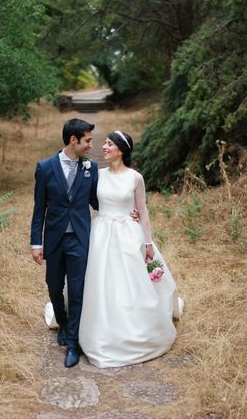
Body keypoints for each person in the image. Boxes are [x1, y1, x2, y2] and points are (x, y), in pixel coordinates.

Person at [78, 131, 182, 368]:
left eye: (109, 144)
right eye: (104, 143)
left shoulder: (135, 178)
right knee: (101, 281)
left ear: (121, 150)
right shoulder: (97, 174)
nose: (103, 147)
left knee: (130, 281)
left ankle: (136, 325)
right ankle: (101, 328)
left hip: (128, 234)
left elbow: (142, 211)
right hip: (102, 233)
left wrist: (147, 243)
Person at [30, 118, 99, 368]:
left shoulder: (91, 168)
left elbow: (96, 202)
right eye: (88, 140)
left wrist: (124, 210)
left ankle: (73, 343)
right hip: (55, 238)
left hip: (80, 237)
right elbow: (39, 210)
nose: (91, 145)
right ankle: (63, 322)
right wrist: (35, 243)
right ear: (74, 140)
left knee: (78, 290)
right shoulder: (46, 167)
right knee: (54, 286)